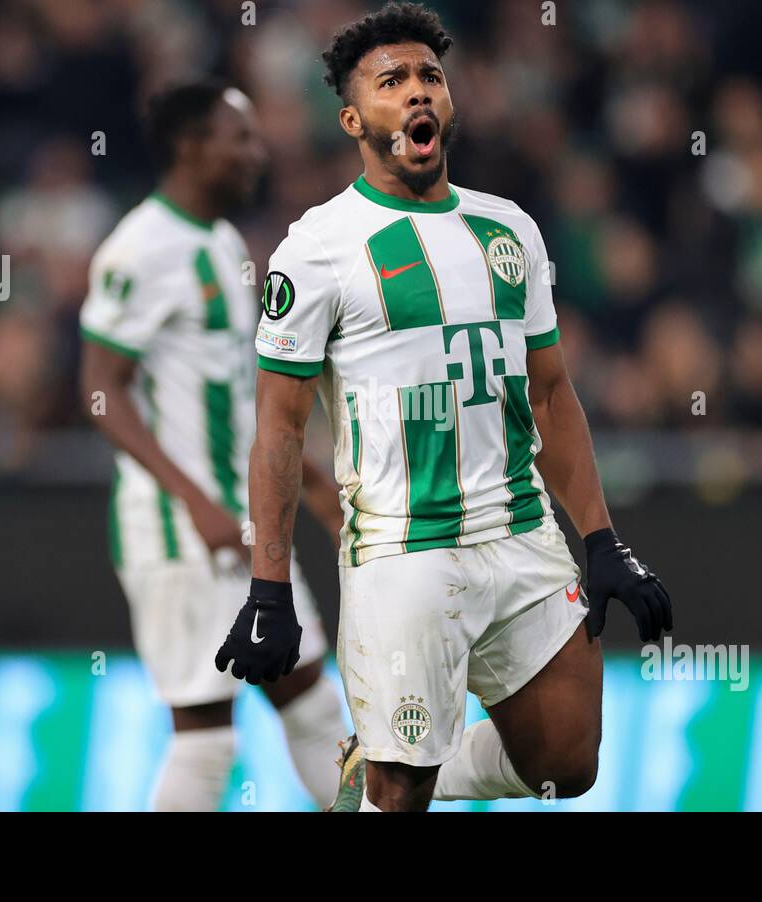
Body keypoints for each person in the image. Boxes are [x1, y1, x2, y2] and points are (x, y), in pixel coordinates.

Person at [215, 3, 672, 812]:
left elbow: (551, 391)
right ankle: (387, 774)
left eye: (430, 76)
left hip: (521, 532)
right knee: (401, 797)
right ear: (354, 118)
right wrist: (269, 588)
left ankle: (380, 766)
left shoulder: (511, 232)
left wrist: (601, 537)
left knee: (569, 764)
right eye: (392, 81)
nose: (418, 92)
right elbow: (279, 428)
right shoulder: (317, 247)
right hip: (404, 551)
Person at [80, 81, 346, 811]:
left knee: (316, 710)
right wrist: (193, 501)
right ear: (193, 147)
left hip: (251, 523)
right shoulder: (139, 248)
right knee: (206, 743)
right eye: (242, 139)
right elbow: (99, 390)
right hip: (180, 532)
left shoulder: (227, 244)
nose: (258, 154)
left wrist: (315, 489)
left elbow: (244, 391)